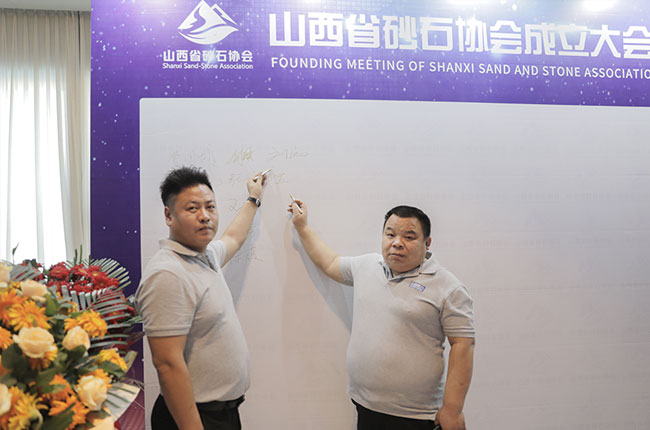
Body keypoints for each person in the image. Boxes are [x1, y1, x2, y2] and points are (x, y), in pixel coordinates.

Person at [288, 202, 475, 430]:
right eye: (390, 234)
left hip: (414, 416)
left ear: (427, 243)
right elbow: (330, 263)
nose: (397, 242)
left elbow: (463, 345)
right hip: (365, 405)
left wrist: (453, 409)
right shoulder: (367, 266)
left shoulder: (448, 287)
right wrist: (302, 227)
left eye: (409, 237)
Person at [136, 166, 267, 430]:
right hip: (194, 417)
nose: (205, 216)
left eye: (210, 207)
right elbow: (167, 364)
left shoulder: (206, 256)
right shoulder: (168, 273)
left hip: (221, 415)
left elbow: (233, 237)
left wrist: (253, 198)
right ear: (169, 215)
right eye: (193, 209)